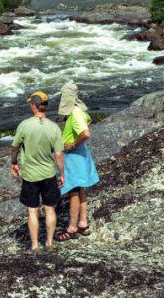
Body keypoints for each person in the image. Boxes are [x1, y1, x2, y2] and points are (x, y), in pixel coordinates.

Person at [10, 91, 65, 251]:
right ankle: (49, 242)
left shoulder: (25, 125)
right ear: (45, 106)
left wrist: (14, 163)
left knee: (32, 210)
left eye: (30, 103)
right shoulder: (54, 127)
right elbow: (59, 154)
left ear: (34, 105)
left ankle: (34, 245)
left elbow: (15, 147)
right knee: (50, 208)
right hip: (48, 173)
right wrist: (61, 174)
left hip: (30, 175)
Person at [55, 82, 100, 241]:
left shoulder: (74, 113)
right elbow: (89, 120)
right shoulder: (79, 110)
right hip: (81, 155)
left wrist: (72, 143)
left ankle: (72, 228)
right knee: (80, 189)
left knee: (73, 190)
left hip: (73, 156)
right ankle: (83, 223)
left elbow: (86, 133)